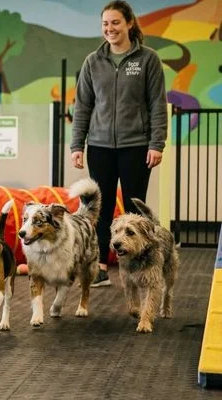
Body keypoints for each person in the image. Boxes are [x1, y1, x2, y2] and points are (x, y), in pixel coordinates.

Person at [71, 0, 167, 287]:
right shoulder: (93, 61)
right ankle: (99, 265)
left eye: (115, 22)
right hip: (99, 146)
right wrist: (77, 145)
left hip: (136, 145)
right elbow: (83, 107)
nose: (110, 28)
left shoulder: (148, 59)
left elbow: (157, 106)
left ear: (129, 24)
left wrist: (156, 143)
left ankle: (140, 266)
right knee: (99, 208)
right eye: (105, 24)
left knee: (135, 208)